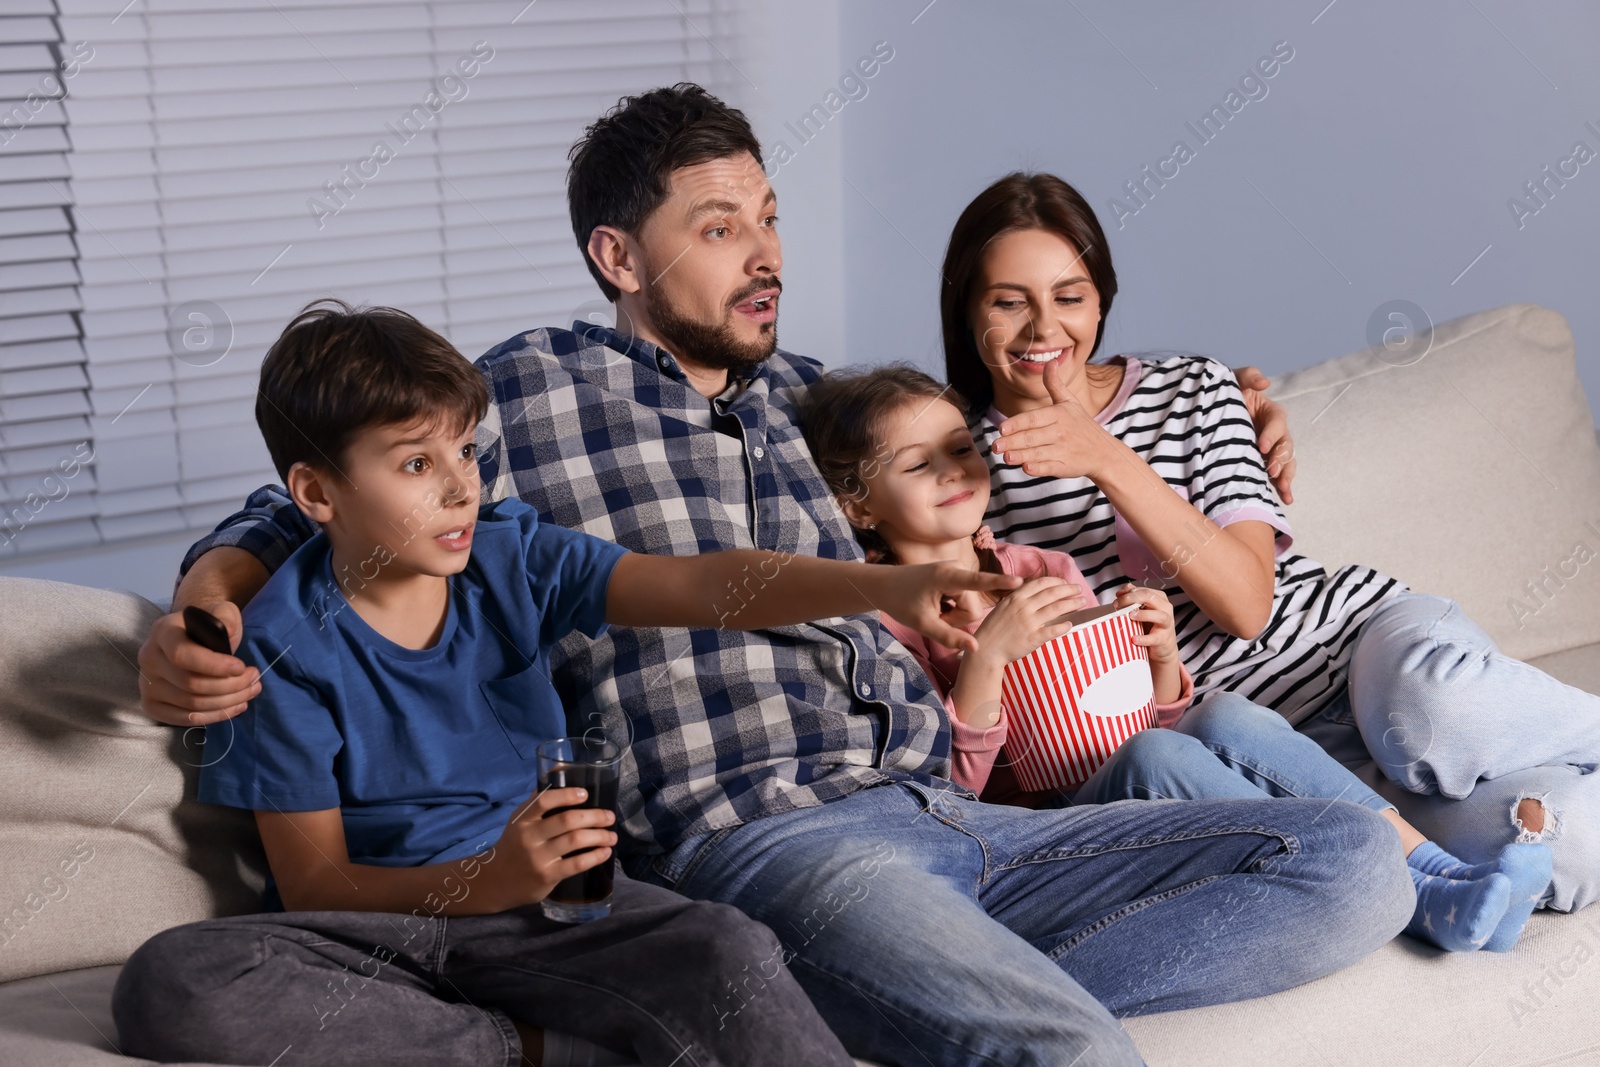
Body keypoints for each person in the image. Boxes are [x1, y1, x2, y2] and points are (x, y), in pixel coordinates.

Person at [130, 84, 1415, 1067]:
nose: (766, 254)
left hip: (955, 811)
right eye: (720, 226)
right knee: (1069, 1049)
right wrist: (206, 598)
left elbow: (994, 456)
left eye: (772, 218)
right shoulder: (524, 391)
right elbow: (324, 496)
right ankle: (898, 994)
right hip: (769, 841)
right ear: (620, 258)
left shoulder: (817, 400)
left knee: (1356, 863)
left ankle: (877, 999)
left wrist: (1227, 411)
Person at [122, 302, 1007, 1066]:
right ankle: (532, 1048)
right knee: (177, 981)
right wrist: (487, 877)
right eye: (415, 465)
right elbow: (316, 888)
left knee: (723, 943)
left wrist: (887, 585)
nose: (461, 488)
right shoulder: (278, 647)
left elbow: (703, 585)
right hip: (382, 929)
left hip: (552, 907)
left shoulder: (512, 557)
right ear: (317, 492)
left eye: (464, 452)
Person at [939, 170, 1600, 918]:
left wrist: (1107, 457)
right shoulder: (958, 473)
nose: (1042, 330)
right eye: (1007, 301)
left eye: (1069, 296)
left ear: (1101, 300)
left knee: (1431, 713)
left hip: (1357, 652)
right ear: (967, 309)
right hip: (1257, 756)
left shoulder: (1196, 388)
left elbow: (1248, 605)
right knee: (1557, 849)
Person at [800, 362, 1553, 953]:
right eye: (918, 463)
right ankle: (1428, 897)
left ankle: (1447, 876)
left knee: (1220, 711)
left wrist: (1156, 655)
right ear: (860, 505)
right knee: (1160, 751)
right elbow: (943, 796)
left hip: (1132, 759)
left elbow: (1137, 708)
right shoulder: (884, 626)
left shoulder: (1040, 568)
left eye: (960, 447)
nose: (954, 469)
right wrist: (985, 663)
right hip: (1050, 827)